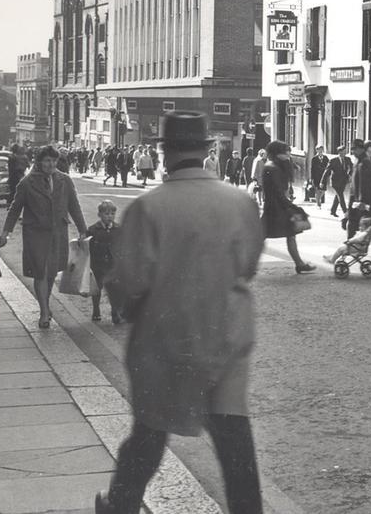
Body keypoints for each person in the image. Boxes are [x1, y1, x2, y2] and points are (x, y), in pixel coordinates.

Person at [96, 110, 267, 514]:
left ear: (164, 153)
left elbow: (130, 280)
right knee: (234, 440)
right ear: (206, 150)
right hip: (225, 333)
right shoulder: (239, 201)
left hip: (165, 338)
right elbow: (249, 265)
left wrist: (127, 309)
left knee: (150, 432)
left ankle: (121, 505)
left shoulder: (149, 207)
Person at [0, 144, 88, 329]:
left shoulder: (65, 180)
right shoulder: (27, 182)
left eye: (54, 160)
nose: (51, 164)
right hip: (35, 233)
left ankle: (45, 305)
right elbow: (15, 208)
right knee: (41, 272)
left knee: (51, 273)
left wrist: (83, 229)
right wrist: (6, 232)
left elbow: (74, 206)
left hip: (57, 233)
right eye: (47, 160)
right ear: (39, 161)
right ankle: (44, 312)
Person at [258, 141, 314, 274]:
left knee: (290, 234)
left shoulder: (276, 166)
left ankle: (299, 263)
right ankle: (245, 264)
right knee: (260, 237)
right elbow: (278, 192)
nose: (289, 153)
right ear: (278, 153)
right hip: (275, 208)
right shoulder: (272, 168)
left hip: (277, 207)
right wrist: (292, 206)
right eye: (286, 151)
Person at [86, 199, 124, 323]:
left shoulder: (118, 229)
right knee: (97, 288)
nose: (110, 217)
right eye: (106, 214)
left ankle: (115, 311)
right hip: (98, 264)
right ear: (100, 215)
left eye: (112, 214)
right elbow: (88, 248)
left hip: (113, 264)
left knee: (115, 288)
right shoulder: (93, 230)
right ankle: (96, 309)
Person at [344, 140, 371, 240]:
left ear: (360, 149)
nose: (352, 152)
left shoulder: (365, 162)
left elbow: (365, 183)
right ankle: (350, 245)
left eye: (354, 149)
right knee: (356, 224)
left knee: (363, 224)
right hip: (356, 199)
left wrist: (361, 201)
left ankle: (350, 246)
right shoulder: (359, 161)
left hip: (361, 201)